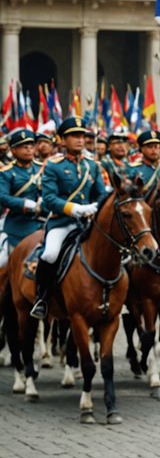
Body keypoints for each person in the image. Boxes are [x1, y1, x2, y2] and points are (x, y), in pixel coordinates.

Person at [30, 117, 107, 319]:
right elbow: (48, 198)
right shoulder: (53, 165)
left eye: (82, 136)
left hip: (87, 223)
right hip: (61, 222)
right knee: (50, 254)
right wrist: (74, 209)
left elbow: (101, 193)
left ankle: (114, 296)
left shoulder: (93, 165)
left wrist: (95, 207)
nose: (80, 140)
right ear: (62, 140)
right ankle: (42, 298)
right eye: (74, 136)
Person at [0, 129, 46, 270]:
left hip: (43, 224)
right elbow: (2, 197)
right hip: (18, 227)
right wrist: (25, 203)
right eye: (23, 146)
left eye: (31, 145)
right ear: (13, 151)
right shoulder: (6, 172)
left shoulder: (43, 168)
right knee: (4, 266)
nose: (28, 149)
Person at [129, 130, 160, 196]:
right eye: (150, 146)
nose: (154, 150)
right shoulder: (134, 169)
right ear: (142, 149)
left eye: (156, 146)